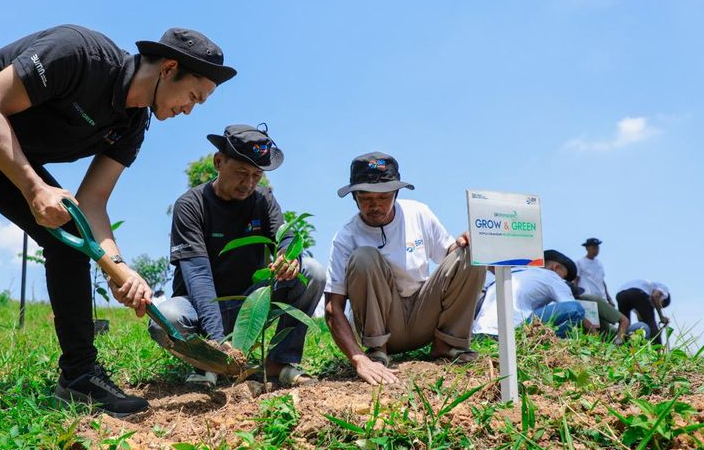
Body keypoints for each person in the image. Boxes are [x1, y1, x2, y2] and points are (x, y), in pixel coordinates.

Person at [0, 25, 236, 450]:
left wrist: (119, 269)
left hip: (1, 153)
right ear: (169, 68)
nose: (191, 110)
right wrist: (33, 188)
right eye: (194, 97)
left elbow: (92, 204)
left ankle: (80, 379)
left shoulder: (131, 125)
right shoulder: (78, 54)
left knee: (68, 239)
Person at [150, 125, 326, 387]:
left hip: (251, 303)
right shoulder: (190, 205)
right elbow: (198, 275)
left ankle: (279, 363)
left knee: (311, 271)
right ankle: (206, 364)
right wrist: (217, 340)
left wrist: (289, 256)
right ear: (218, 162)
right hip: (199, 307)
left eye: (257, 175)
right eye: (241, 173)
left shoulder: (264, 199)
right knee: (167, 319)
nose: (249, 184)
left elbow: (285, 235)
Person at [323, 152, 486, 386]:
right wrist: (358, 359)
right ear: (354, 197)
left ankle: (448, 346)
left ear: (396, 193)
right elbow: (332, 308)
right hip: (384, 324)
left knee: (471, 252)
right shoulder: (346, 237)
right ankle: (377, 352)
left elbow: (451, 256)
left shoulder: (418, 213)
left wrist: (467, 243)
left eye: (383, 197)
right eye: (365, 198)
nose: (375, 205)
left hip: (424, 315)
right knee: (364, 257)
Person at [473, 250, 591, 338]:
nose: (563, 281)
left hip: (480, 332)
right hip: (509, 331)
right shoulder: (552, 276)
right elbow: (571, 306)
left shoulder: (516, 272)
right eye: (564, 277)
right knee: (576, 309)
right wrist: (594, 333)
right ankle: (551, 343)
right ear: (555, 267)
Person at [616, 280, 671, 345]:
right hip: (638, 292)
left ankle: (620, 345)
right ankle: (658, 351)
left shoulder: (646, 287)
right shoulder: (664, 290)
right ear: (663, 299)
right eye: (660, 304)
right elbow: (655, 296)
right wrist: (661, 317)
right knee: (652, 327)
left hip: (621, 295)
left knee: (624, 324)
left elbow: (641, 319)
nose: (655, 306)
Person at [576, 237, 614, 305]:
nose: (596, 250)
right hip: (588, 298)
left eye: (597, 247)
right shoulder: (580, 262)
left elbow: (602, 281)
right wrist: (575, 295)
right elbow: (576, 280)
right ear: (587, 248)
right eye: (594, 247)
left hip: (602, 298)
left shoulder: (599, 263)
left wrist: (609, 298)